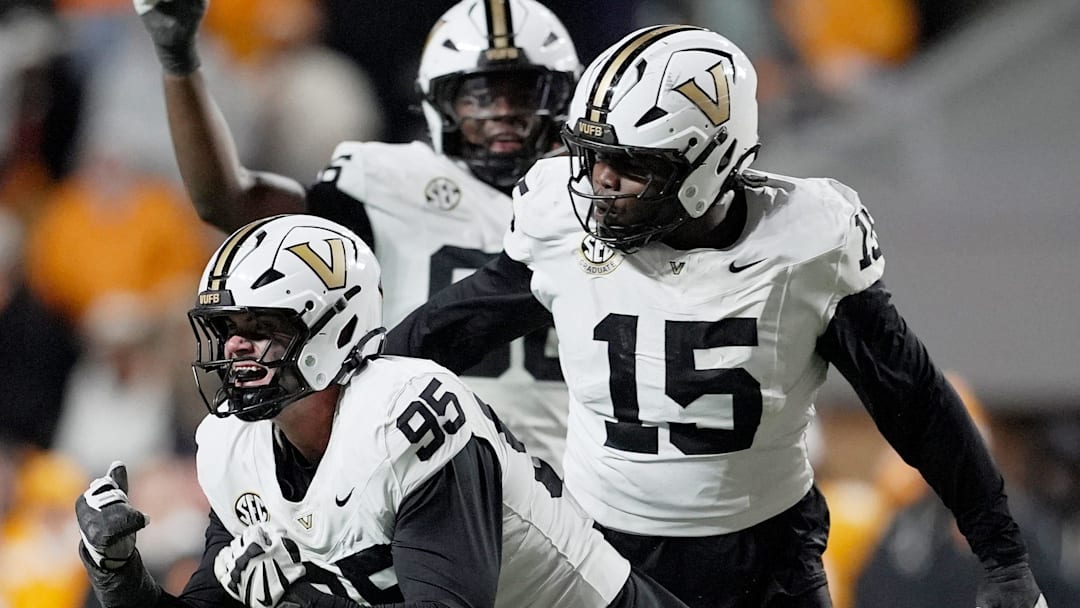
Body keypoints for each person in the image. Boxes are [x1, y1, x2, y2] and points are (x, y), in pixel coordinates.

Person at [384, 25, 1049, 608]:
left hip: (764, 553)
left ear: (709, 164)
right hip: (600, 545)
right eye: (593, 158)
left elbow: (913, 400)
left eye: (630, 164)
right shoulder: (558, 221)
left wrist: (1002, 554)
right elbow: (448, 328)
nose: (600, 183)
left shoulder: (805, 244)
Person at [74, 214, 688, 608]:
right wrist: (119, 574)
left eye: (261, 326)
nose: (236, 347)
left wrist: (301, 599)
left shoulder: (405, 418)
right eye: (227, 329)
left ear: (332, 330)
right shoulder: (234, 449)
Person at [134, 0, 580, 473]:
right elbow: (229, 201)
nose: (503, 113)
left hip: (570, 466)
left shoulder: (596, 194)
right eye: (481, 97)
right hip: (423, 461)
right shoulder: (388, 182)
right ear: (441, 102)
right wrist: (178, 59)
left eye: (523, 92)